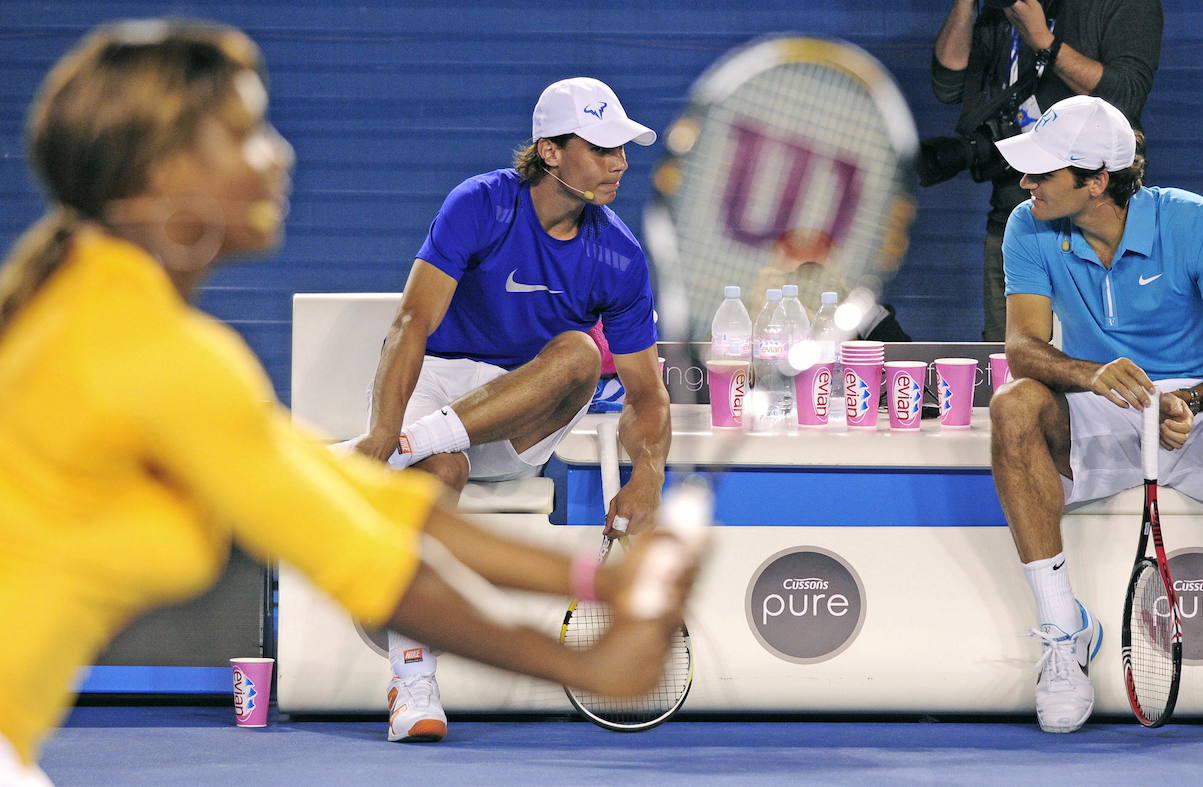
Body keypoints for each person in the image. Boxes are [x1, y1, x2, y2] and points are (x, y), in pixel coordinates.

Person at [0, 21, 702, 784]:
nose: (282, 151)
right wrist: (589, 656)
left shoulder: (98, 310)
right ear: (167, 172)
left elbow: (379, 512)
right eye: (246, 133)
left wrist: (595, 583)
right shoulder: (155, 355)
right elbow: (377, 565)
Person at [340, 76, 672, 742]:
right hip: (438, 384)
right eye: (602, 146)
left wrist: (650, 472)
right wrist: (385, 422)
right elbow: (411, 322)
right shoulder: (481, 204)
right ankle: (412, 683)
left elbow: (645, 393)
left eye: (623, 148)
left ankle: (406, 447)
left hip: (525, 407)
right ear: (550, 151)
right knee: (443, 474)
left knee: (580, 352)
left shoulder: (620, 256)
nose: (621, 163)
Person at [988, 96, 1203, 735]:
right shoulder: (1028, 226)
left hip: (1196, 418)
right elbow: (1023, 350)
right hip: (1098, 411)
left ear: (1097, 180)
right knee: (1012, 406)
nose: (1025, 186)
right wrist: (1091, 374)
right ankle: (1064, 634)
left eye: (1043, 174)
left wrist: (1189, 401)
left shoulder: (1193, 222)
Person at [928, 0, 1162, 341]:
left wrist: (1043, 40)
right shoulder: (1000, 9)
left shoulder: (1120, 5)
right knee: (1011, 365)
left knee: (1112, 358)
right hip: (1014, 218)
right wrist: (966, 5)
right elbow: (948, 85)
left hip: (1098, 224)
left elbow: (1125, 98)